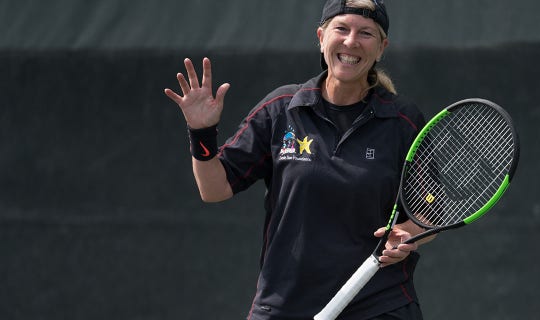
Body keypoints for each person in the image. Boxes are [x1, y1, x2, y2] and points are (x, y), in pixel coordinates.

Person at [164, 0, 435, 319]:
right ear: (321, 37)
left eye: (365, 33)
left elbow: (431, 212)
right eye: (341, 29)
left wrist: (408, 231)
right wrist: (202, 132)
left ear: (381, 48)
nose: (351, 41)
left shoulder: (403, 121)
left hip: (379, 304)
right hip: (284, 304)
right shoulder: (281, 109)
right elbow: (214, 189)